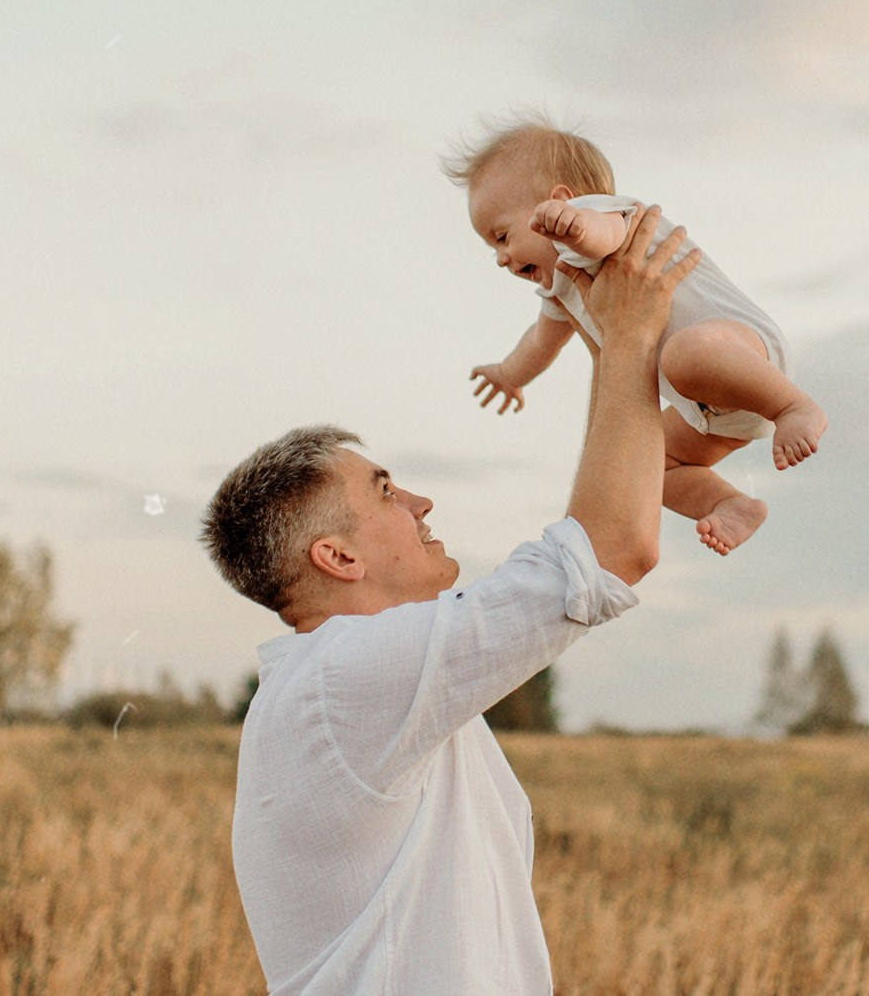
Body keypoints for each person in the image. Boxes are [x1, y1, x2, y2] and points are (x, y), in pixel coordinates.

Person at [200, 205, 698, 996]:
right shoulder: (342, 680)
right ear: (337, 555)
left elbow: (602, 546)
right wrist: (628, 331)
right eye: (388, 490)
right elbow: (610, 552)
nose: (423, 503)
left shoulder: (358, 690)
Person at [441, 114, 827, 555]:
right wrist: (510, 374)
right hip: (708, 407)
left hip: (742, 351)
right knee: (645, 470)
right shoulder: (562, 285)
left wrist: (576, 227)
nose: (501, 258)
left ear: (563, 201)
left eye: (503, 236)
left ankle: (796, 406)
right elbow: (540, 341)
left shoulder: (607, 214)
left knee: (682, 355)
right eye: (493, 247)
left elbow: (604, 237)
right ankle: (730, 502)